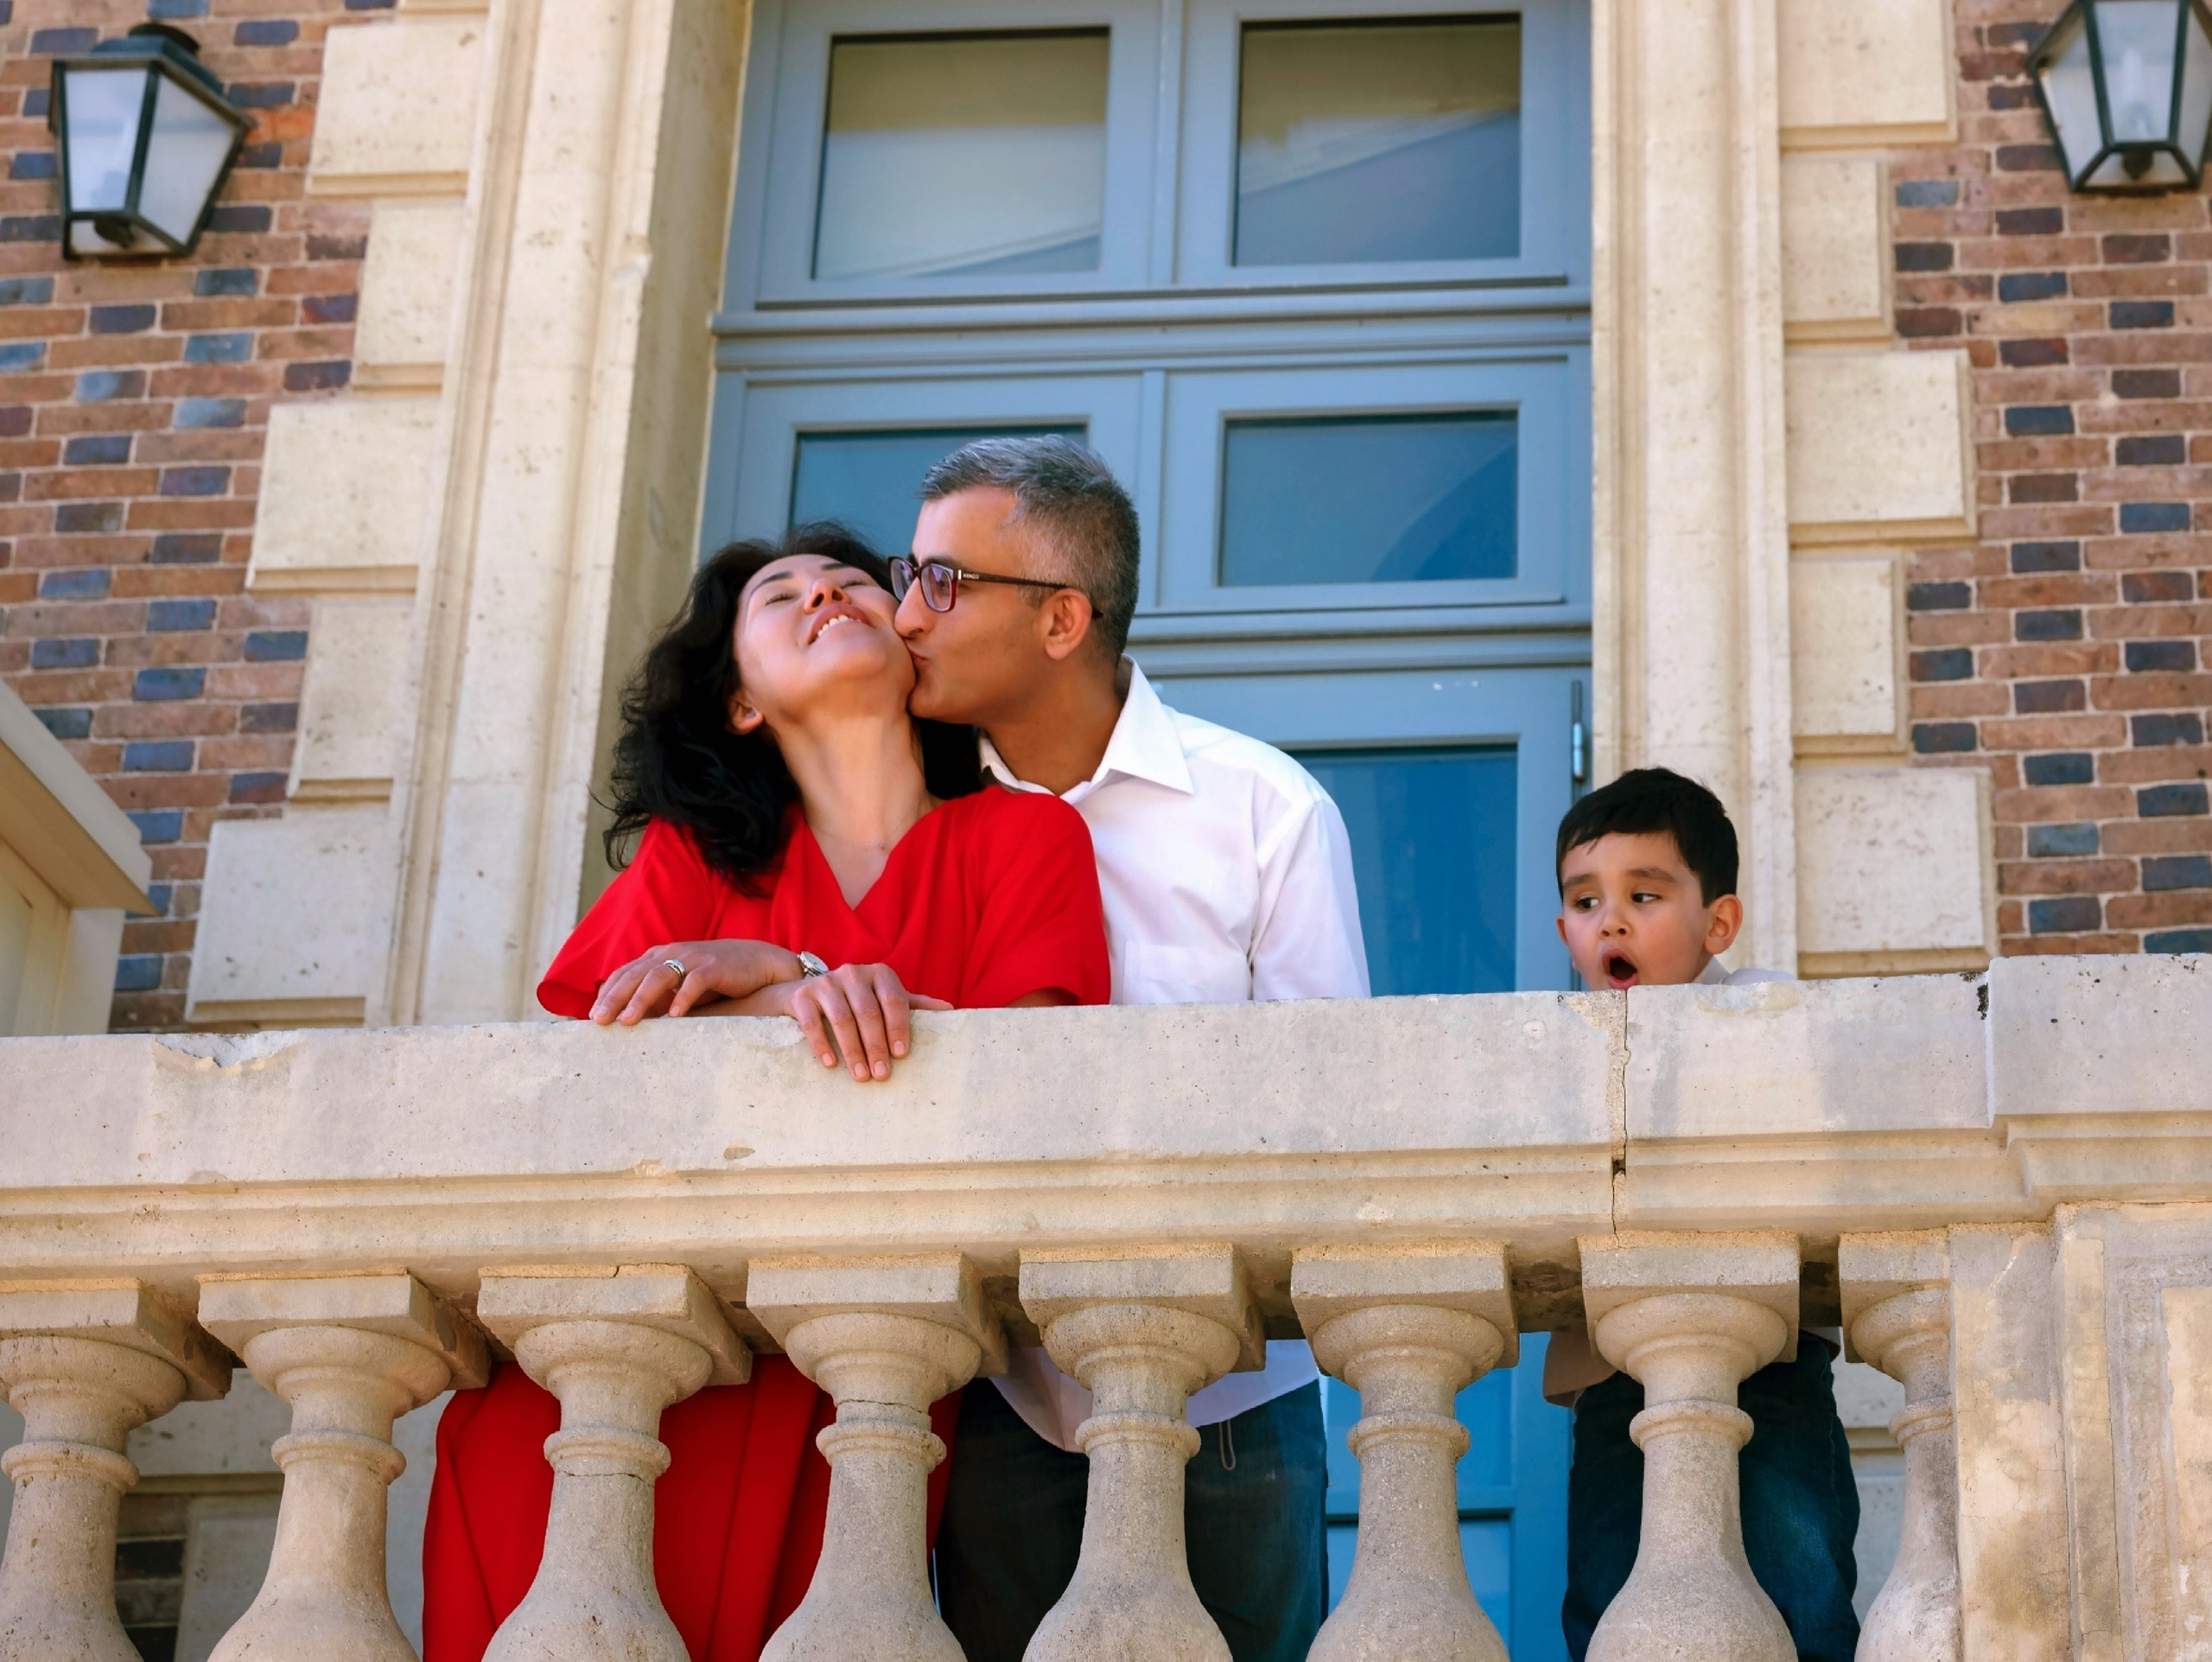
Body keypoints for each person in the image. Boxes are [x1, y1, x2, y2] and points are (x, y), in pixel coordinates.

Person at [420, 524, 1112, 1662]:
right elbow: (592, 1062)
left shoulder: (1025, 834)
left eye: (851, 581)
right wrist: (801, 983)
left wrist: (766, 987)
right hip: (602, 1394)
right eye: (780, 594)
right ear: (741, 701)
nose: (826, 593)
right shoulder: (697, 857)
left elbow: (1020, 1076)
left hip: (851, 1392)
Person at [892, 436, 1370, 1662]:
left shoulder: (1266, 810)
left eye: (944, 582)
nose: (903, 616)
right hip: (999, 1396)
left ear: (1062, 618)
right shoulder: (912, 819)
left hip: (1233, 1404)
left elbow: (1328, 1117)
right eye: (909, 574)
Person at [1548, 766, 1859, 1662]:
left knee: (1799, 1589)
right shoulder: (1555, 1040)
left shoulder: (1756, 1009)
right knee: (1608, 1600)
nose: (1609, 920)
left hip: (1767, 1366)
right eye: (1584, 900)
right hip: (1612, 1378)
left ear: (1715, 922)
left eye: (1642, 895)